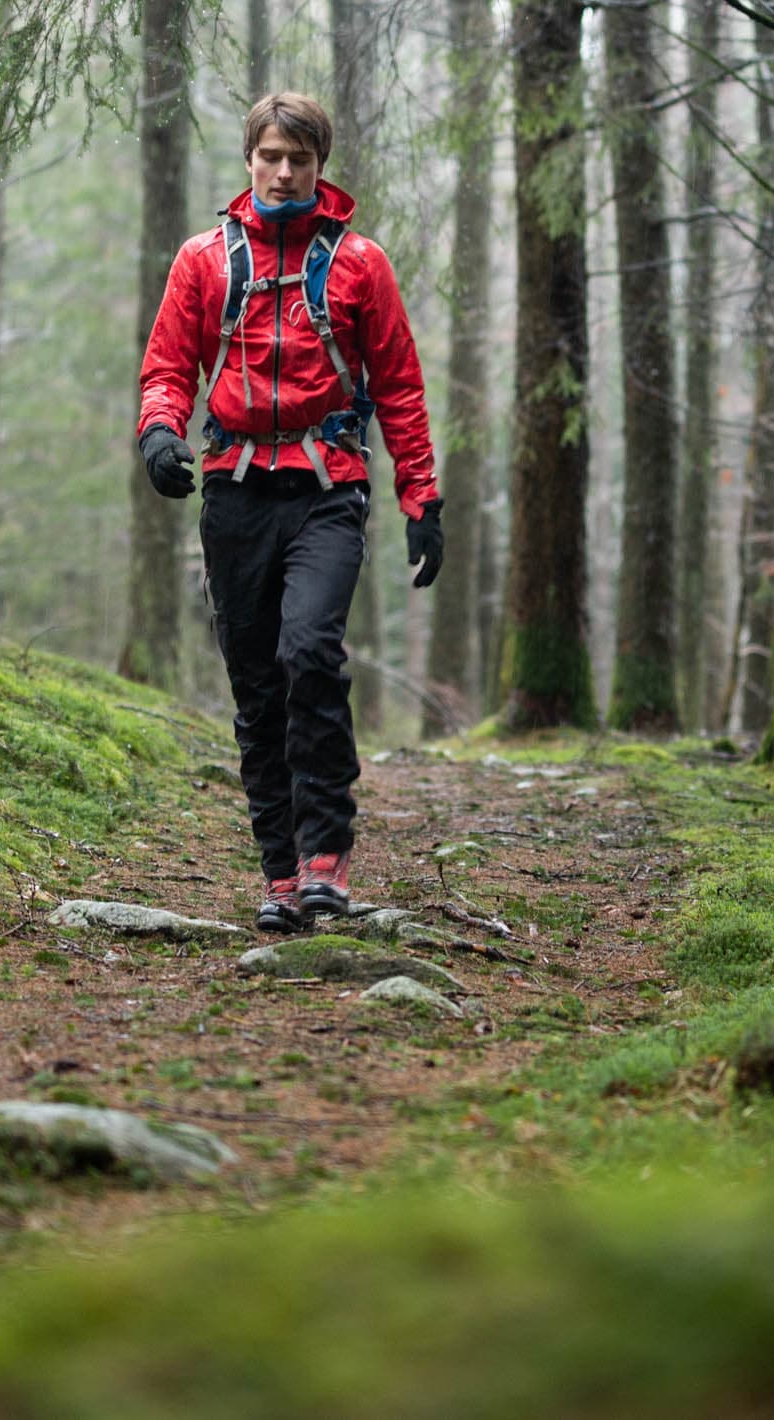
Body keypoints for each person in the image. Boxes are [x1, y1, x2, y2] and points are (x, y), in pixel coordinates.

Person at [134, 93, 442, 933]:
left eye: (298, 159)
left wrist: (421, 497)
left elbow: (401, 386)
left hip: (326, 490)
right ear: (249, 159)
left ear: (319, 166)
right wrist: (160, 434)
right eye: (269, 155)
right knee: (257, 686)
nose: (282, 171)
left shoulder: (359, 265)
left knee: (310, 651)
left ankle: (325, 861)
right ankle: (278, 873)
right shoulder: (204, 260)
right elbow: (167, 365)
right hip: (234, 490)